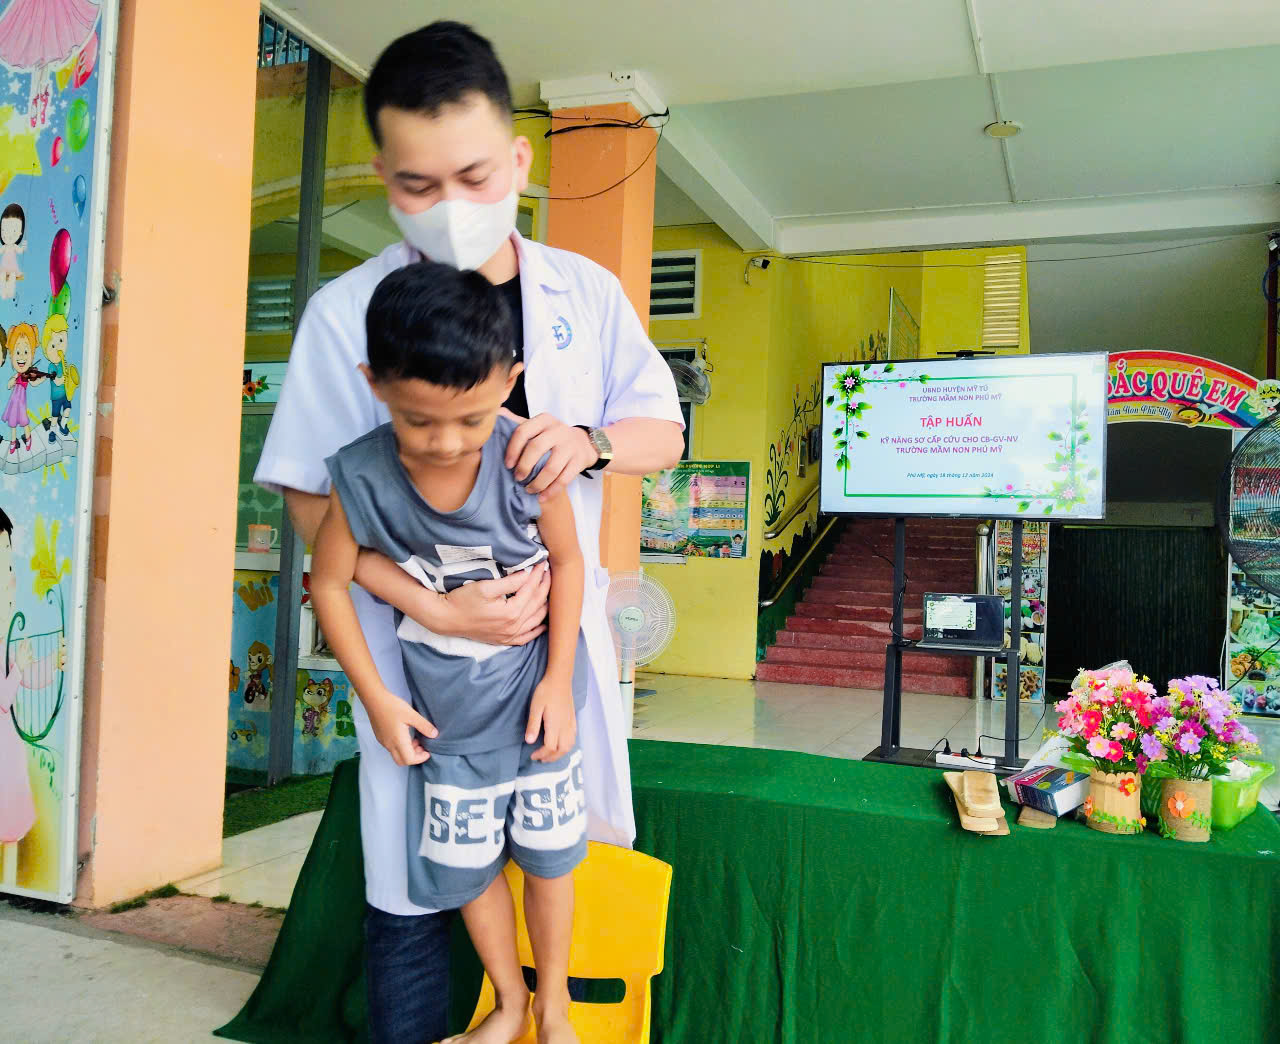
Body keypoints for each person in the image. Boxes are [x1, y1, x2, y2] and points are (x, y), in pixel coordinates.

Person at [253, 21, 683, 1043]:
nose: (449, 203)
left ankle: (545, 1012)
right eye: (417, 184)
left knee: (551, 843)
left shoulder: (584, 293)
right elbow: (313, 502)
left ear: (520, 161)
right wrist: (435, 605)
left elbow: (662, 429)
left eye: (474, 175)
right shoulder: (344, 316)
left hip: (548, 650)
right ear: (383, 177)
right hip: (417, 660)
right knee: (417, 876)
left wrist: (587, 442)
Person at [313, 262, 587, 1044]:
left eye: (471, 418)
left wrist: (559, 681)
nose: (446, 443)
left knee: (549, 858)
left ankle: (554, 1004)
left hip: (537, 706)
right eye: (418, 421)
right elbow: (328, 581)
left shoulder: (526, 462)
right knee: (468, 871)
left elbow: (568, 562)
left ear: (510, 382)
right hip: (448, 721)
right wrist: (378, 699)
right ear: (373, 384)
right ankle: (509, 1001)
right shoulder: (360, 476)